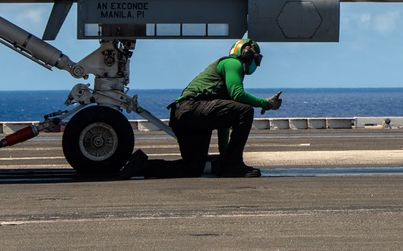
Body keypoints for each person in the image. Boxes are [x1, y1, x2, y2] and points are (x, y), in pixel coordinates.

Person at [121, 38, 282, 179]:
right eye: (257, 59)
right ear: (247, 54)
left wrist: (225, 156)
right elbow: (238, 94)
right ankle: (234, 165)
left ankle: (141, 165)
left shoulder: (226, 77)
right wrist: (265, 104)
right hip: (192, 108)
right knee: (245, 110)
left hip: (183, 116)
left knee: (192, 167)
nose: (257, 64)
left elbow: (224, 123)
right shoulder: (233, 63)